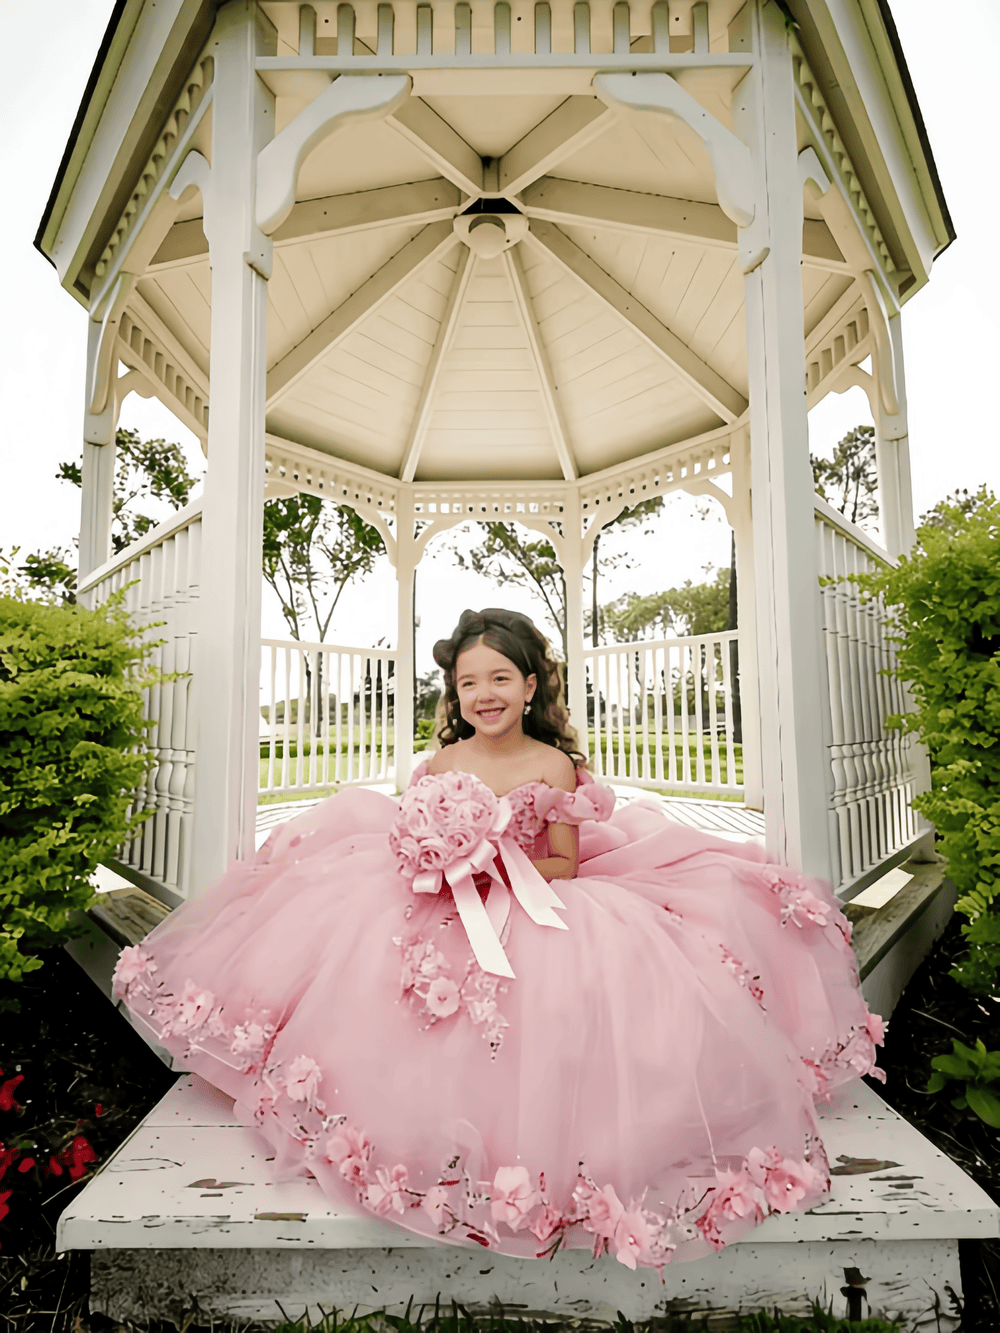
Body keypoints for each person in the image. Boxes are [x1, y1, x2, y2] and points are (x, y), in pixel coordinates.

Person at [114, 607, 884, 1272]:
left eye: (500, 679)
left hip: (539, 896)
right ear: (456, 693)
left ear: (531, 684)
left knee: (558, 990)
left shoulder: (552, 763)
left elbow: (564, 861)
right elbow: (408, 845)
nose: (484, 695)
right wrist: (446, 859)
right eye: (469, 683)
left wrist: (492, 858)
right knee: (384, 975)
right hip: (442, 896)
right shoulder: (442, 763)